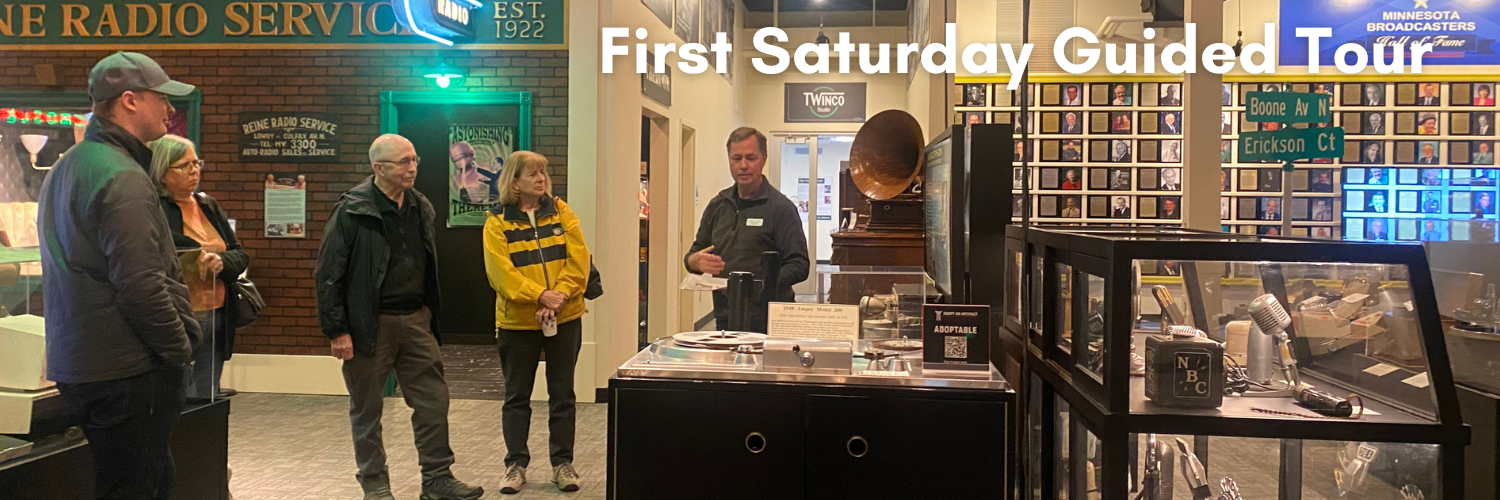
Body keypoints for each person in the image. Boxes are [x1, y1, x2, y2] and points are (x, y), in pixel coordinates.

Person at [38, 51, 201, 500]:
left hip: (83, 364)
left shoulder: (66, 166)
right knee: (138, 488)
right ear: (129, 100)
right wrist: (179, 349)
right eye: (161, 98)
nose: (170, 110)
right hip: (129, 371)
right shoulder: (123, 176)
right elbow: (142, 285)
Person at [316, 134, 483, 500]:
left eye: (415, 159)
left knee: (433, 402)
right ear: (379, 168)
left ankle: (437, 479)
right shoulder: (352, 209)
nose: (413, 168)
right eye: (404, 162)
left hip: (415, 320)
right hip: (367, 325)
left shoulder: (421, 205)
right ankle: (375, 483)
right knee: (368, 410)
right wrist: (336, 330)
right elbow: (329, 273)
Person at [482, 151, 591, 494]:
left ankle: (563, 464)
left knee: (563, 394)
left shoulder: (562, 212)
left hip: (565, 317)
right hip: (517, 323)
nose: (541, 179)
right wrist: (539, 295)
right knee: (517, 396)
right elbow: (500, 274)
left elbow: (580, 261)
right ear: (514, 182)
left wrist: (557, 296)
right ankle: (515, 464)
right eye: (533, 174)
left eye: (543, 172)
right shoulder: (497, 221)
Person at [150, 135, 249, 401]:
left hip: (218, 309)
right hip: (179, 311)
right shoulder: (154, 208)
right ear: (161, 172)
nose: (194, 171)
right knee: (176, 392)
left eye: (197, 164)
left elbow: (240, 254)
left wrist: (221, 262)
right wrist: (194, 253)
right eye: (184, 166)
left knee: (207, 393)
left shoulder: (208, 204)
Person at [685, 127, 810, 331]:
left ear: (763, 159)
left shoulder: (781, 208)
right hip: (727, 317)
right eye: (737, 158)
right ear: (729, 160)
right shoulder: (717, 205)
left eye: (751, 158)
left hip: (771, 320)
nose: (743, 165)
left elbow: (799, 265)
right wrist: (693, 261)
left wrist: (756, 286)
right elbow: (695, 254)